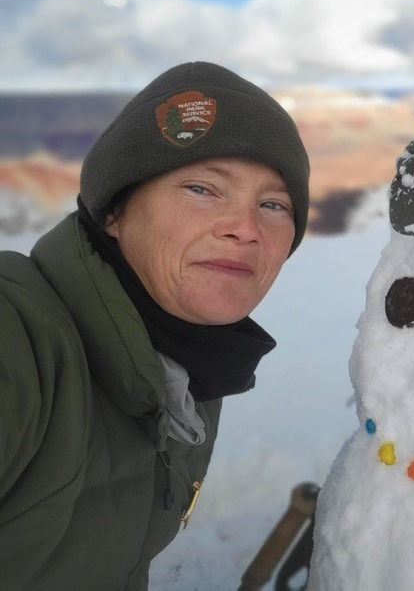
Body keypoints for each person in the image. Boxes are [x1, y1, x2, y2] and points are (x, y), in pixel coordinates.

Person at [0, 61, 310, 589]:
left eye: (273, 204)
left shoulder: (187, 368)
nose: (245, 228)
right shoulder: (22, 340)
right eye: (201, 188)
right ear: (114, 212)